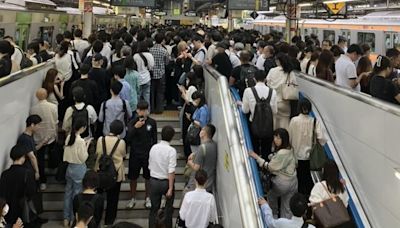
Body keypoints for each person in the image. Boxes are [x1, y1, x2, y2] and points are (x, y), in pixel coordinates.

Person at [250, 128, 298, 219]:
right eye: (275, 136)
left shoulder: (282, 153)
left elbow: (270, 167)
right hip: (293, 181)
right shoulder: (290, 149)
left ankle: (274, 218)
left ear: (283, 139)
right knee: (287, 208)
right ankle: (286, 223)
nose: (275, 139)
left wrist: (257, 157)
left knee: (271, 195)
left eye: (278, 138)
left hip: (282, 183)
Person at [288, 98, 326, 195]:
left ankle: (299, 200)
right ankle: (309, 201)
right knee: (308, 182)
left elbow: (289, 138)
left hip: (295, 158)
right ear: (309, 109)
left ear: (299, 108)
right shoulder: (314, 121)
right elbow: (322, 140)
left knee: (298, 182)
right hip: (309, 158)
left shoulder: (294, 120)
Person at [126, 101, 157, 209]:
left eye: (145, 110)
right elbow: (127, 138)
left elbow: (155, 140)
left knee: (147, 177)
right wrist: (135, 127)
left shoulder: (152, 122)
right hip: (135, 154)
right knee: (133, 177)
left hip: (148, 155)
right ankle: (132, 198)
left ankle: (147, 198)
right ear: (137, 110)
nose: (143, 112)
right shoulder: (132, 122)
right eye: (141, 110)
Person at [95, 120, 127, 226]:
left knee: (98, 198)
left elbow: (97, 153)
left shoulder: (101, 140)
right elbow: (123, 155)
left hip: (100, 172)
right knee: (112, 200)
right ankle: (109, 222)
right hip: (115, 174)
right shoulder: (121, 142)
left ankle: (97, 219)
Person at [241, 70, 277, 159]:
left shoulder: (248, 91)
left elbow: (245, 110)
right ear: (265, 79)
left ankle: (256, 168)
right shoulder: (273, 92)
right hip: (268, 125)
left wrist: (241, 104)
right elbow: (275, 111)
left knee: (254, 147)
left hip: (253, 125)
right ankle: (266, 168)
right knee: (266, 149)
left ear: (254, 79)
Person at [63, 119, 90, 228]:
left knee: (68, 194)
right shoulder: (80, 141)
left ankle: (66, 218)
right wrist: (87, 145)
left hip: (69, 168)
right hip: (79, 168)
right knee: (77, 195)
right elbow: (84, 157)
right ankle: (74, 219)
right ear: (82, 128)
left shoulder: (69, 137)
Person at [0, 145, 36, 226]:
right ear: (23, 157)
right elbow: (31, 192)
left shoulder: (4, 174)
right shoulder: (27, 173)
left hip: (7, 212)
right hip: (22, 212)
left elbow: (1, 193)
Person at [29, 88, 58, 190]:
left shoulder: (33, 109)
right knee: (52, 152)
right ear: (46, 95)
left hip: (38, 138)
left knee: (40, 160)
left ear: (37, 97)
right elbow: (55, 120)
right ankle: (53, 167)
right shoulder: (53, 106)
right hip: (51, 135)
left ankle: (43, 181)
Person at [148, 126, 176, 228]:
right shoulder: (171, 151)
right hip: (165, 182)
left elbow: (150, 165)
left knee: (153, 209)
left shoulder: (153, 148)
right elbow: (171, 170)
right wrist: (170, 188)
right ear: (172, 137)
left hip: (154, 181)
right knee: (168, 210)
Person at [266, 53, 296, 130]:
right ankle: (285, 140)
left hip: (273, 101)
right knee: (285, 125)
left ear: (278, 61)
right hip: (284, 101)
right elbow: (294, 85)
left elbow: (268, 83)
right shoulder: (290, 72)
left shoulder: (272, 70)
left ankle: (275, 140)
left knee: (274, 124)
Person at [185, 124, 217, 193]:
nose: (200, 131)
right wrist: (195, 153)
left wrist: (189, 162)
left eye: (202, 129)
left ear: (204, 133)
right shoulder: (214, 145)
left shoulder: (202, 148)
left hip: (197, 185)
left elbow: (196, 168)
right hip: (209, 184)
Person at [178, 72, 199, 157]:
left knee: (186, 131)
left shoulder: (192, 87)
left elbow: (188, 100)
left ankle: (187, 154)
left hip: (188, 110)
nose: (186, 81)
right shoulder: (192, 87)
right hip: (188, 109)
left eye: (187, 79)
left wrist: (182, 92)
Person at [150, 33, 169, 114]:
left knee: (152, 92)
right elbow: (167, 62)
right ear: (162, 41)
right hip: (161, 74)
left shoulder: (150, 50)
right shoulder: (164, 51)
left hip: (152, 73)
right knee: (160, 92)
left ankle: (151, 108)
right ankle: (159, 109)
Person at [133, 41, 154, 106]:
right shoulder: (150, 55)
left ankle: (138, 111)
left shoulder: (135, 56)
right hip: (147, 77)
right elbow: (151, 66)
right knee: (147, 96)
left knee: (138, 96)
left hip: (137, 78)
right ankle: (147, 111)